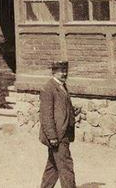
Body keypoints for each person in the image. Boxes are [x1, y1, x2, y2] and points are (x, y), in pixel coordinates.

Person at [38, 60, 77, 188]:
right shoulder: (48, 88)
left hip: (63, 132)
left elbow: (60, 109)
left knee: (53, 166)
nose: (64, 73)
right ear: (53, 72)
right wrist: (52, 136)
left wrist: (72, 111)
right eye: (61, 71)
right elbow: (46, 115)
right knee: (66, 166)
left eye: (66, 71)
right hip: (57, 135)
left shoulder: (62, 86)